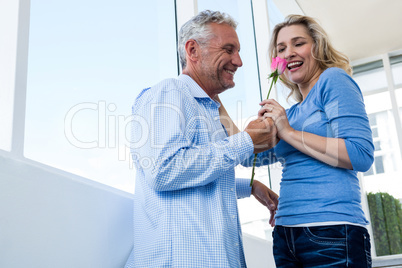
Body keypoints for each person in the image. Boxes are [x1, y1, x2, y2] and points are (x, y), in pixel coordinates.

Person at [124, 10, 279, 268]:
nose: (238, 61)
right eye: (229, 49)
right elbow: (164, 170)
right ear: (193, 51)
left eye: (238, 51)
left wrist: (249, 187)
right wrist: (247, 141)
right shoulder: (168, 93)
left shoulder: (208, 110)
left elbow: (197, 174)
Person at [246, 15, 374, 267]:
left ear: (317, 46)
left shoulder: (333, 80)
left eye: (298, 43)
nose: (289, 53)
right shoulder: (291, 114)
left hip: (333, 232)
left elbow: (360, 154)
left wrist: (289, 132)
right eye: (281, 49)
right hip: (285, 236)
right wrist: (214, 100)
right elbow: (249, 158)